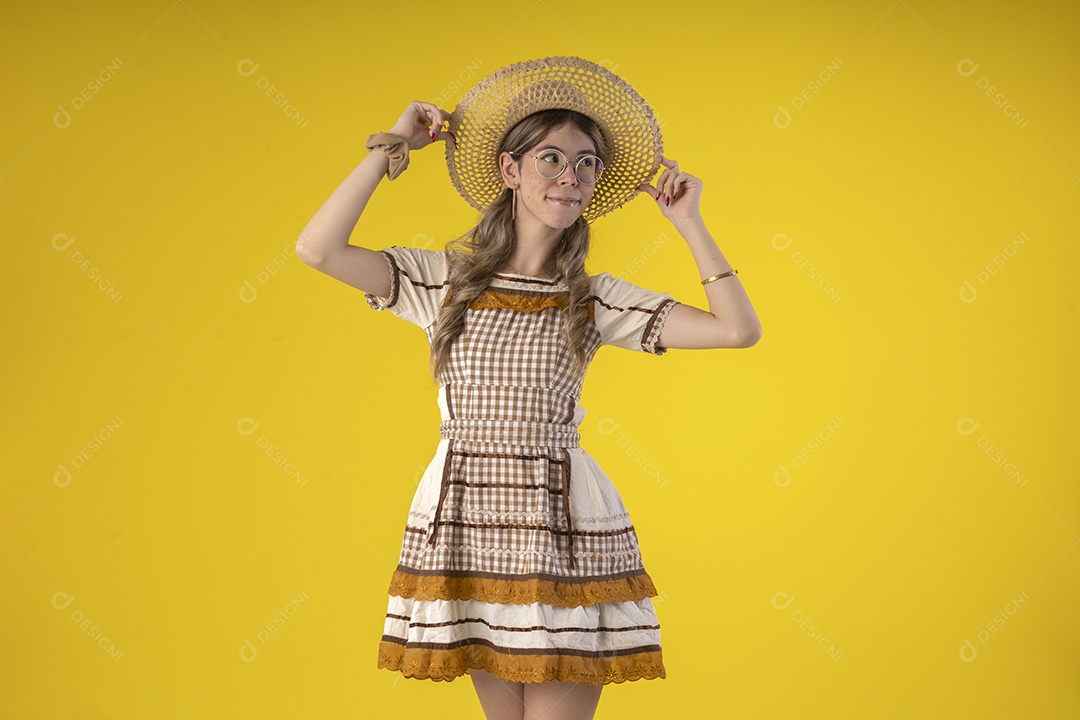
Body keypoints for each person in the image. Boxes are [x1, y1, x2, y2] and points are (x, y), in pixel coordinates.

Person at [296, 56, 762, 720]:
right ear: (510, 170)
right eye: (552, 158)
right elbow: (317, 249)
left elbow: (737, 331)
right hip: (466, 516)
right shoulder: (445, 281)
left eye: (587, 164)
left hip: (559, 522)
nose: (571, 177)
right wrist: (391, 146)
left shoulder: (593, 297)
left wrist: (689, 222)